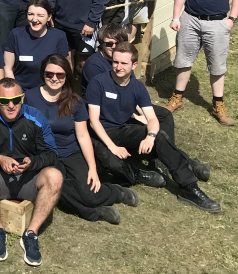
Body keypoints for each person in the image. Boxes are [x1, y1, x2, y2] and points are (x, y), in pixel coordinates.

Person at [86, 42, 221, 212]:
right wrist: (113, 147)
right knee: (113, 164)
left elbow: (152, 118)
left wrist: (150, 136)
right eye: (115, 62)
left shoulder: (137, 87)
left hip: (123, 130)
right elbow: (93, 121)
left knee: (160, 137)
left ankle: (189, 187)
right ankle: (139, 175)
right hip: (99, 135)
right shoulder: (98, 82)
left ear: (134, 65)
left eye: (123, 63)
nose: (118, 67)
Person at [23, 55, 138, 225]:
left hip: (71, 151)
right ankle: (93, 213)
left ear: (67, 76)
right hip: (45, 155)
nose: (54, 78)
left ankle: (115, 192)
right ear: (43, 74)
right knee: (58, 188)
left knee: (90, 194)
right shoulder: (29, 98)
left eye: (60, 75)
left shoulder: (74, 101)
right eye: (50, 74)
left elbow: (83, 136)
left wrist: (92, 168)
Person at [0, 77, 64, 266]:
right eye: (4, 101)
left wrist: (33, 162)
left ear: (22, 98)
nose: (11, 105)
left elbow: (52, 153)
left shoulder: (35, 117)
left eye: (16, 100)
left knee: (55, 176)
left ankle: (31, 234)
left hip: (28, 177)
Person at [3, 0, 70, 91]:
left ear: (49, 17)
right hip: (22, 92)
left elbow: (63, 70)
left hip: (49, 91)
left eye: (40, 15)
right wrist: (15, 92)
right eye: (30, 14)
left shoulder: (59, 36)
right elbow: (7, 68)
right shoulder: (16, 34)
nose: (34, 19)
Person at [81, 24, 128, 90]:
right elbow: (103, 91)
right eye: (109, 44)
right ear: (102, 44)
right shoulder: (93, 64)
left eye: (118, 43)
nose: (114, 47)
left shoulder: (125, 59)